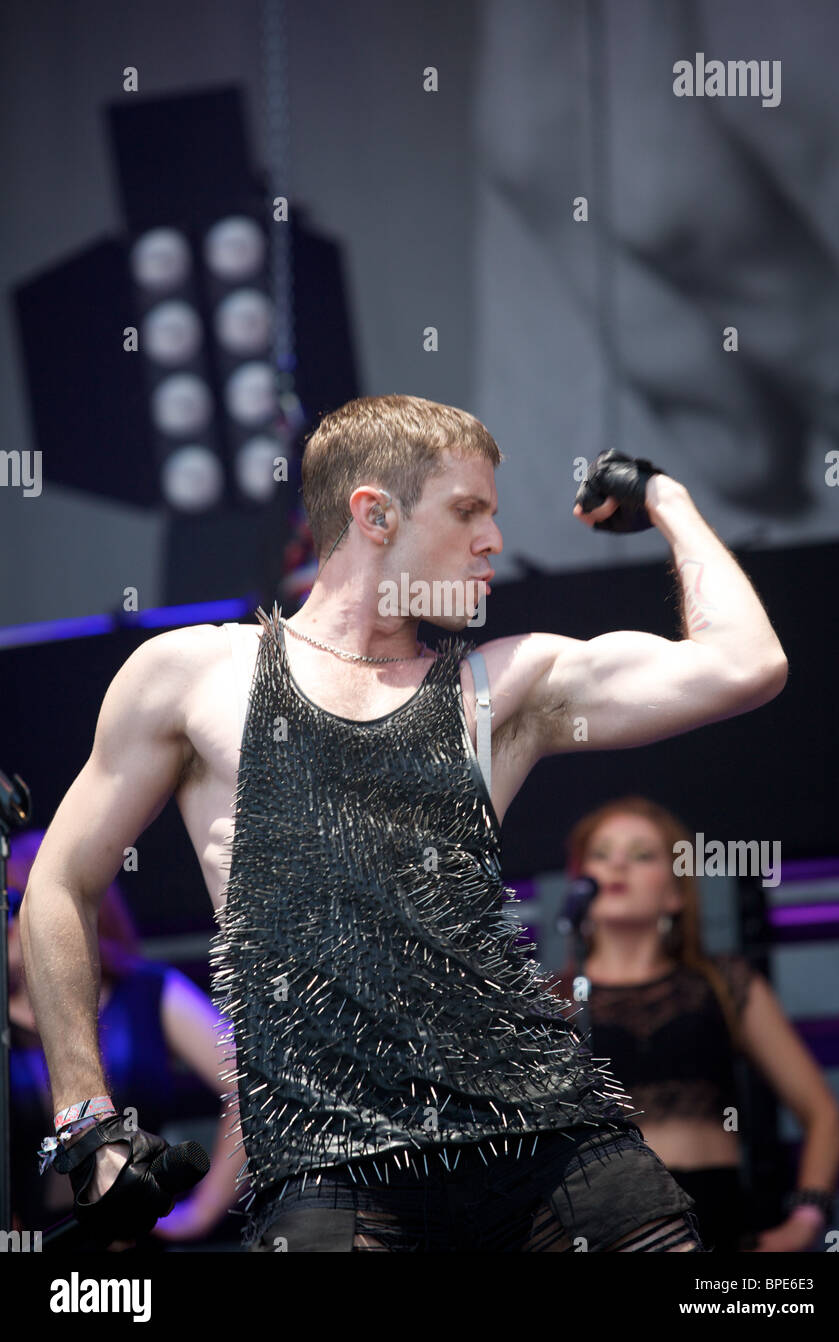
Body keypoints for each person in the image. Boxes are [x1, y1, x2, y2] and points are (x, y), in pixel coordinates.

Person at [20, 394, 789, 1252]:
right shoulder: (194, 676)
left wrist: (667, 502)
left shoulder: (505, 686)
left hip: (554, 1146)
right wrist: (86, 1121)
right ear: (374, 513)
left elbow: (747, 665)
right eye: (468, 511)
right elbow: (57, 881)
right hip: (329, 1170)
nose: (493, 539)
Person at [555, 798, 839, 1253]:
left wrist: (807, 1219)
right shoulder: (550, 998)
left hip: (714, 1213)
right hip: (600, 1224)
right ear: (580, 881)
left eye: (641, 855)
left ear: (674, 892)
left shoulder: (721, 982)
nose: (617, 865)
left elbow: (825, 1115)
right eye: (601, 853)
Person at [7, 831, 246, 1245]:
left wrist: (200, 1213)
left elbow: (250, 1085)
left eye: (15, 905)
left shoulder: (148, 991)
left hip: (138, 1237)